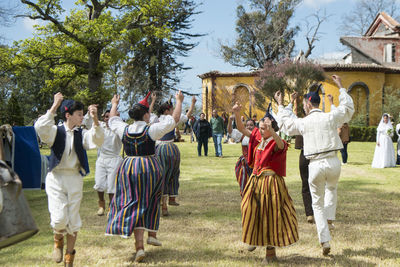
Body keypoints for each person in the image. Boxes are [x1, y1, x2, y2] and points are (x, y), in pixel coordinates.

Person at [276, 74, 354, 256]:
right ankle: (329, 218)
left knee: (317, 204)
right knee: (331, 189)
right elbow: (347, 108)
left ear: (309, 104)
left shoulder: (304, 122)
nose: (303, 106)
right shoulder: (330, 117)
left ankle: (325, 239)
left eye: (304, 104)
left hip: (315, 164)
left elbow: (286, 125)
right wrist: (341, 86)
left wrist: (280, 104)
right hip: (334, 161)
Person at [105, 91, 183, 262]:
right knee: (152, 199)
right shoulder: (151, 130)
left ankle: (140, 245)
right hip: (149, 166)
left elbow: (112, 120)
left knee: (133, 201)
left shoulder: (124, 128)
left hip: (128, 168)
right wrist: (179, 101)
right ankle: (151, 234)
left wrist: (115, 104)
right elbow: (173, 120)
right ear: (146, 114)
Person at [35, 93, 104, 267]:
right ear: (68, 115)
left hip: (74, 178)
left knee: (73, 221)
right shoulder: (55, 131)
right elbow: (40, 128)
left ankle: (69, 257)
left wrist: (95, 119)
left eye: (83, 114)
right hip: (56, 178)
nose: (82, 117)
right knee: (59, 219)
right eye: (79, 114)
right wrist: (55, 105)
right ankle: (58, 240)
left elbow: (98, 139)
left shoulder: (82, 134)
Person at [233, 102, 298, 263]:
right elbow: (241, 129)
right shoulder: (258, 136)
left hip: (270, 183)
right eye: (260, 127)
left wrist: (273, 132)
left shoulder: (275, 142)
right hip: (255, 181)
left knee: (270, 215)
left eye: (263, 128)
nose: (260, 131)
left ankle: (270, 254)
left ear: (271, 129)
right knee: (248, 207)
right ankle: (253, 238)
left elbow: (282, 145)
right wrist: (236, 112)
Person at [156, 95, 196, 216]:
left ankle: (165, 202)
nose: (174, 111)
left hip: (160, 148)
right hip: (169, 147)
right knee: (172, 173)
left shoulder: (156, 119)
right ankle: (169, 199)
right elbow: (186, 116)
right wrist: (192, 103)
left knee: (163, 174)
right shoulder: (170, 119)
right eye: (172, 109)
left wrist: (152, 101)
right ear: (167, 111)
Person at [83, 109, 123, 216]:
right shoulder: (99, 125)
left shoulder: (119, 128)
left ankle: (112, 206)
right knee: (99, 183)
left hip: (114, 159)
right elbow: (86, 122)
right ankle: (101, 205)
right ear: (103, 118)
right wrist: (90, 112)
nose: (108, 119)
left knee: (112, 185)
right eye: (106, 117)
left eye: (110, 117)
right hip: (101, 158)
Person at [227, 114, 256, 196]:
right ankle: (246, 201)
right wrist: (230, 121)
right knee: (244, 184)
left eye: (251, 125)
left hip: (256, 164)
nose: (249, 127)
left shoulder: (258, 135)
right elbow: (230, 131)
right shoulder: (242, 135)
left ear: (255, 126)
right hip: (245, 163)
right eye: (247, 125)